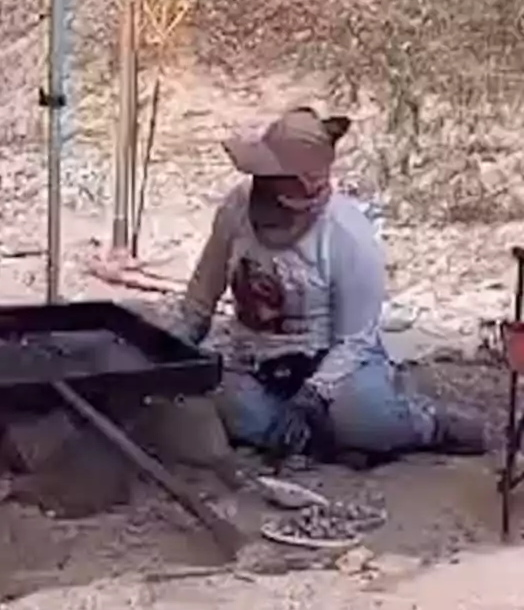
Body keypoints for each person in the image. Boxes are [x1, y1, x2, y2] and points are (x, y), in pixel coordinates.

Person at [173, 107, 484, 463]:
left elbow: (355, 339)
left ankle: (425, 426)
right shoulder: (236, 207)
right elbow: (201, 296)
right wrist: (171, 348)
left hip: (332, 366)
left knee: (364, 418)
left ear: (302, 185)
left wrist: (314, 395)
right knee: (219, 402)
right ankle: (327, 445)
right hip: (256, 365)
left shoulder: (347, 232)